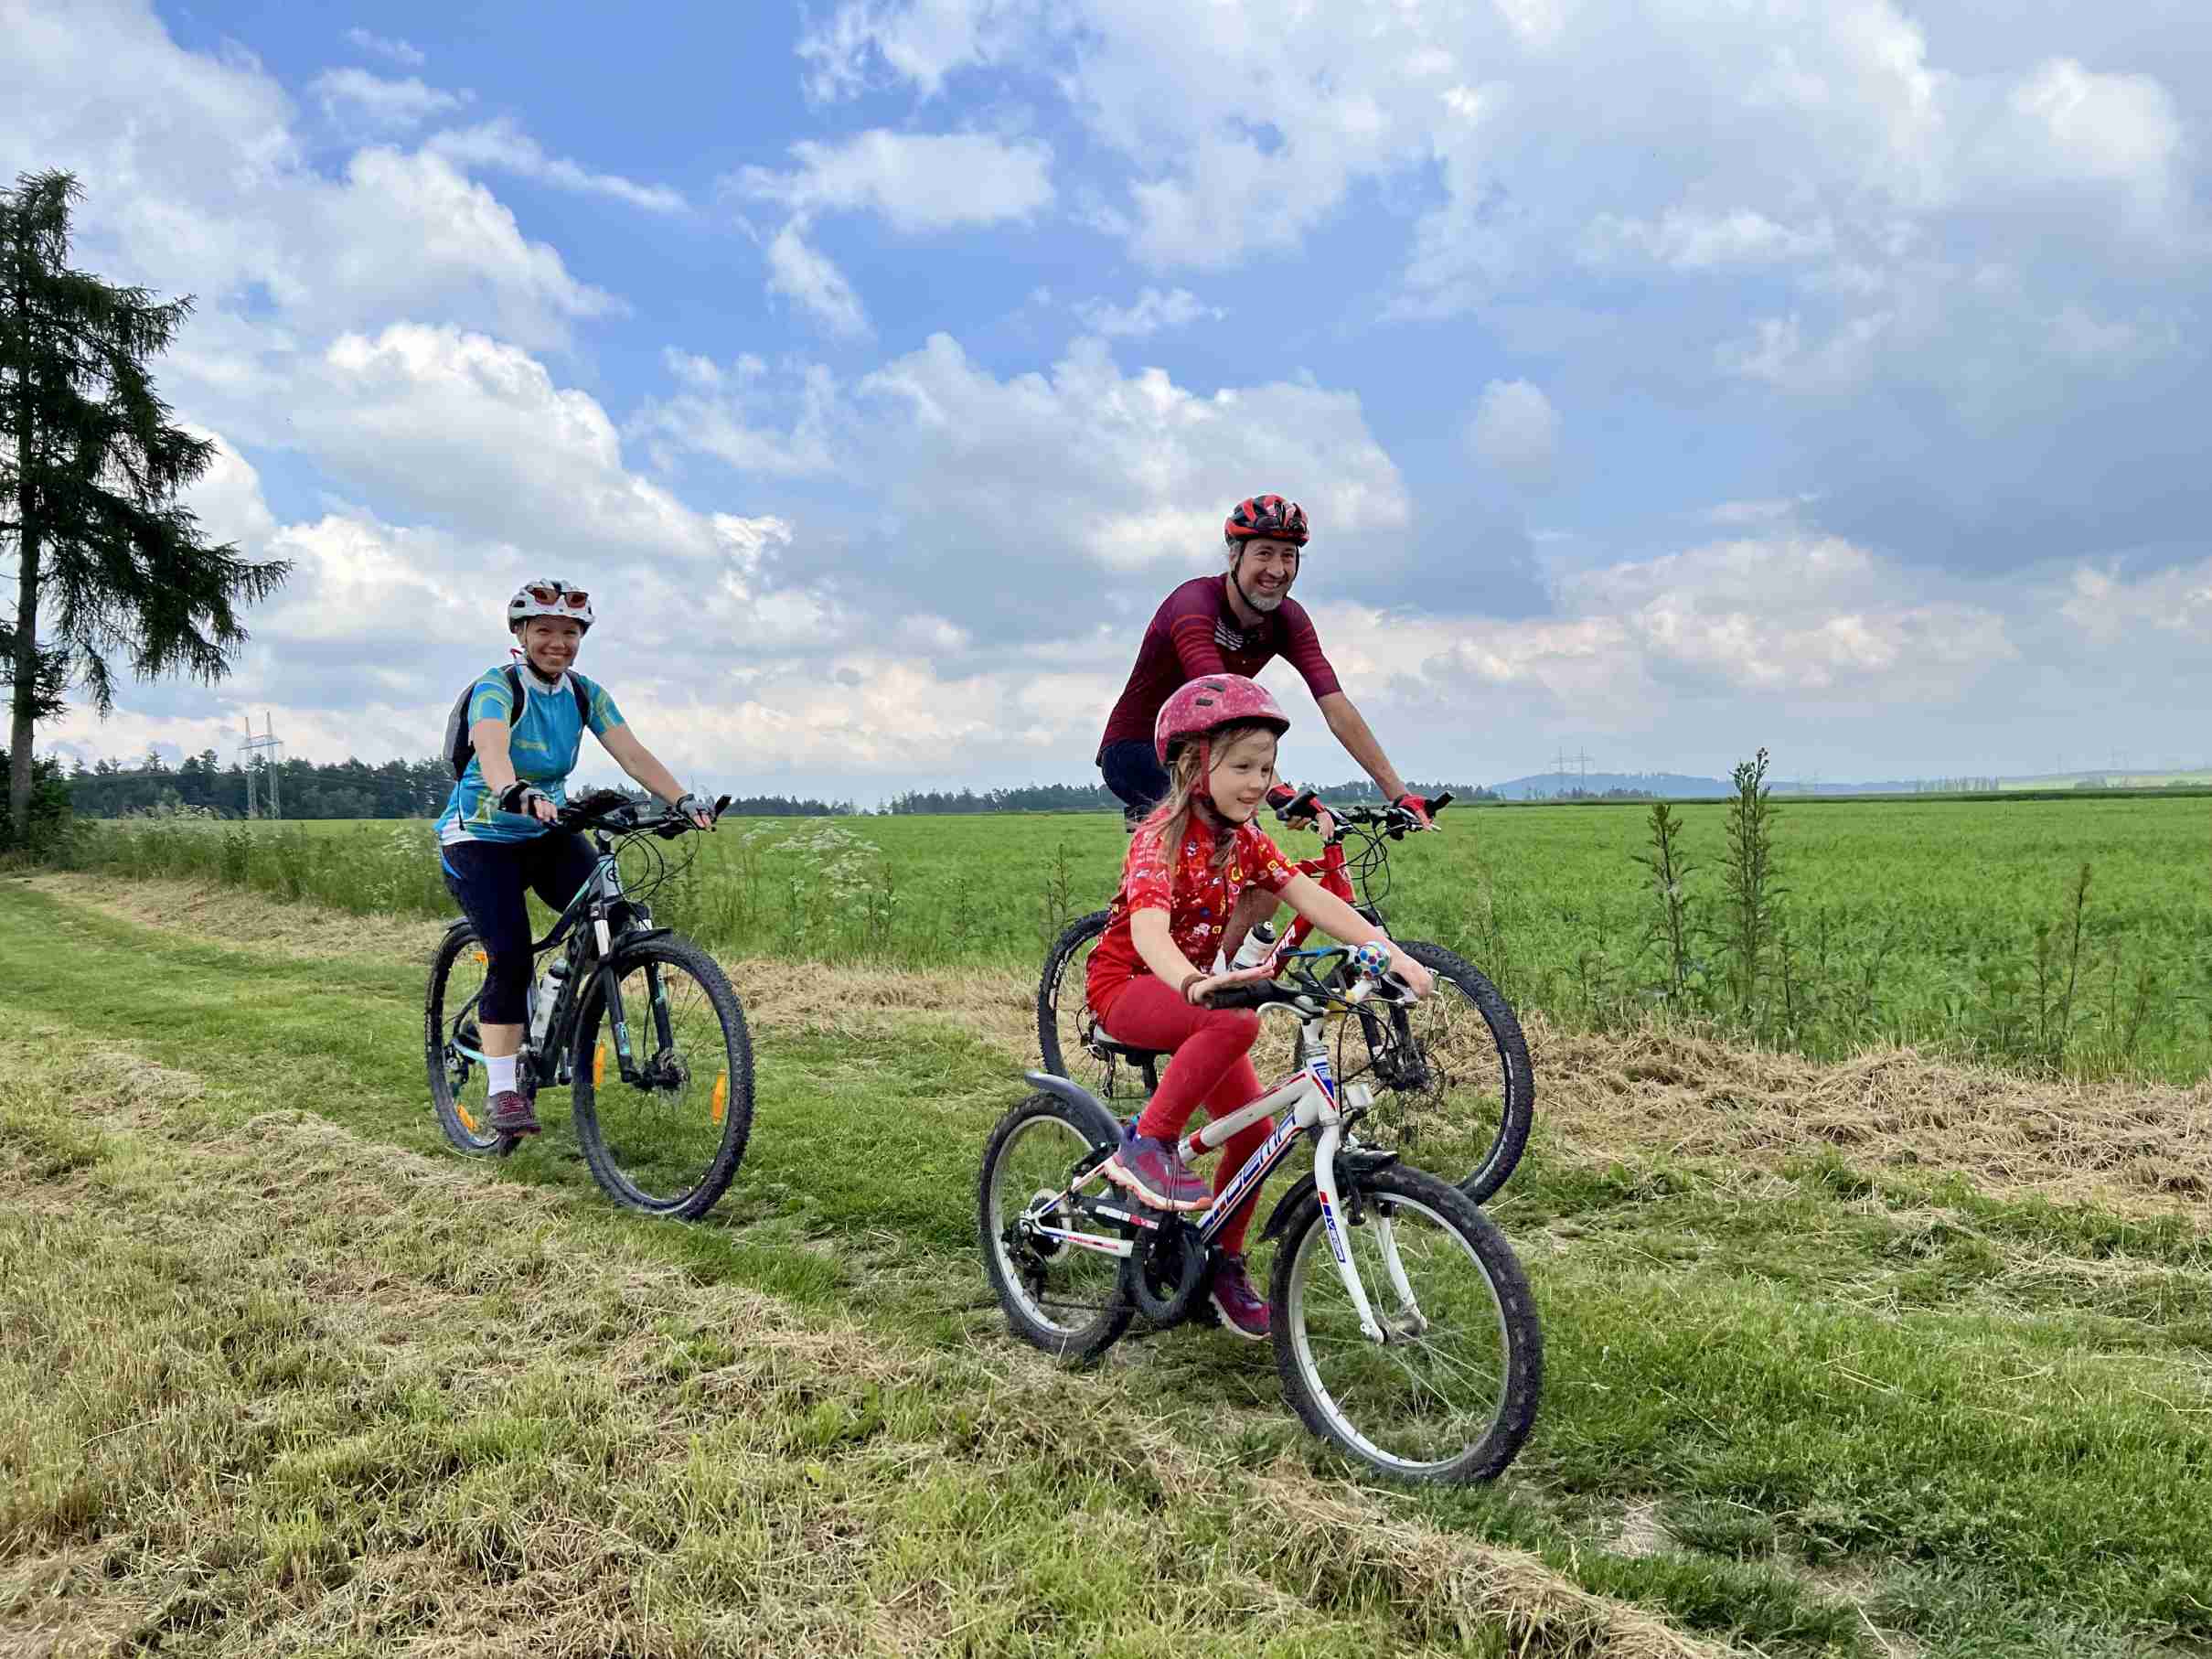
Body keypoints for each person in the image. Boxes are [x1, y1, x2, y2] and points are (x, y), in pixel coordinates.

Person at [1085, 673, 1435, 1339]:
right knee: (1233, 1021)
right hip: (1129, 984)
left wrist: (1389, 952)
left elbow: (1310, 897)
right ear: (1194, 766)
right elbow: (1148, 931)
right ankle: (1147, 1145)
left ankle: (1222, 1262)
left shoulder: (1242, 838)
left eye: (1266, 768)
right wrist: (1192, 981)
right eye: (1242, 766)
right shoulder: (1157, 837)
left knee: (1251, 1135)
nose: (1257, 782)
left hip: (1193, 987)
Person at [436, 578, 714, 1137]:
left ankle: (547, 1002)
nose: (557, 642)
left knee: (615, 916)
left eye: (569, 632)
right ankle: (504, 1091)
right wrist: (512, 789)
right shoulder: (497, 687)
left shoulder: (586, 693)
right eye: (544, 630)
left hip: (547, 829)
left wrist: (681, 799)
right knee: (511, 955)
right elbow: (490, 745)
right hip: (480, 838)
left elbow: (631, 752)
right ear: (521, 634)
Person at [1095, 493, 1441, 834]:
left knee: (1248, 855)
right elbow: (1223, 708)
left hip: (1205, 751)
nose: (1276, 570)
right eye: (1264, 553)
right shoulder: (1194, 604)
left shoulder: (1288, 619)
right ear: (1234, 557)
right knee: (1241, 838)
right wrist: (1277, 790)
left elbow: (1337, 708)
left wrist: (1399, 794)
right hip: (1136, 749)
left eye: (1288, 556)